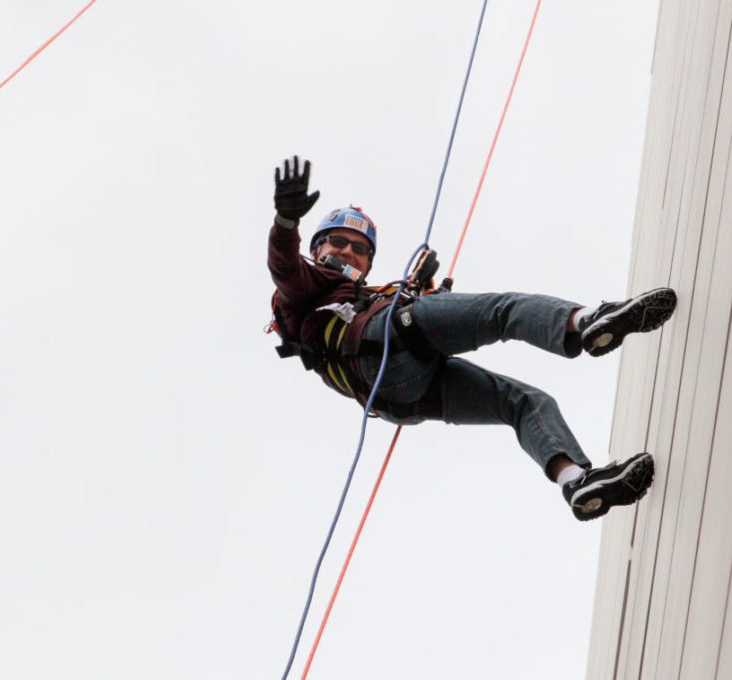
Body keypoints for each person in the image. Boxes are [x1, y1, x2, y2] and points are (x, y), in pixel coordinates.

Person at [267, 156, 677, 521]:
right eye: (339, 241)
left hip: (402, 395)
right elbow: (284, 266)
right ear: (318, 248)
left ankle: (576, 481)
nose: (350, 251)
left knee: (525, 403)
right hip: (391, 344)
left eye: (360, 248)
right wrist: (286, 222)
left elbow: (391, 313)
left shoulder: (366, 297)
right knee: (504, 310)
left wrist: (422, 291)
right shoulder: (302, 286)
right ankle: (587, 321)